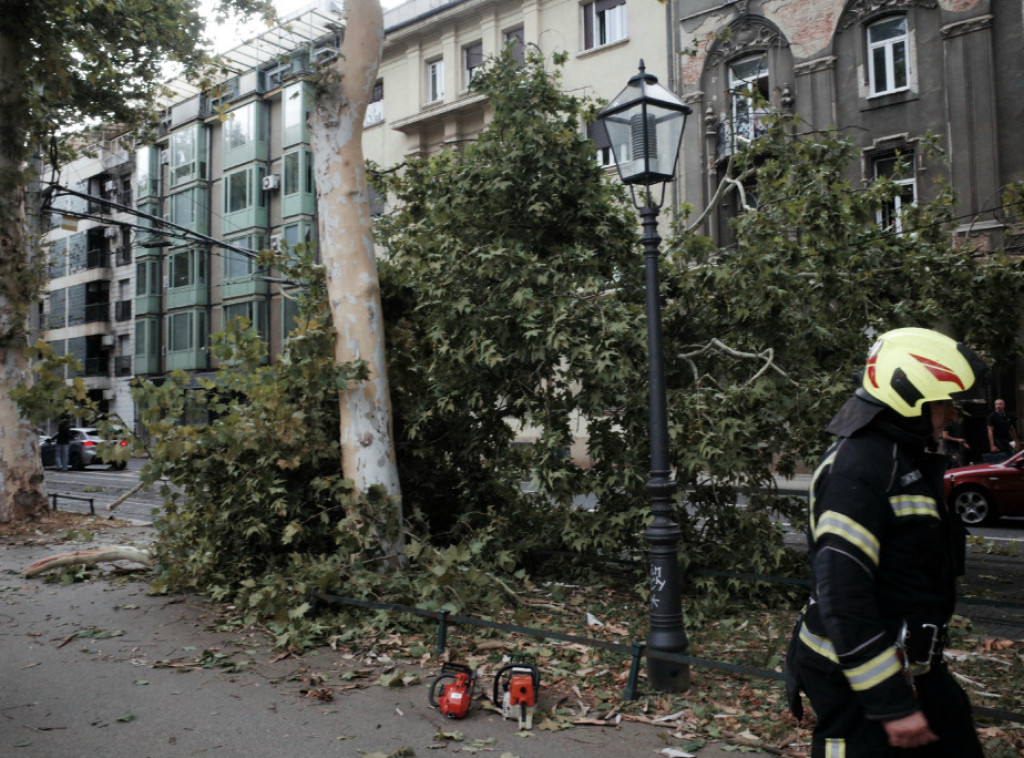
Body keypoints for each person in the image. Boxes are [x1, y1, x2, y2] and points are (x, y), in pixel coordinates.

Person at [784, 327, 986, 757]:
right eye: (944, 401)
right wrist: (890, 704)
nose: (951, 413)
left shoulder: (900, 458)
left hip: (910, 664)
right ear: (909, 398)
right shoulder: (859, 468)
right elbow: (842, 594)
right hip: (856, 673)